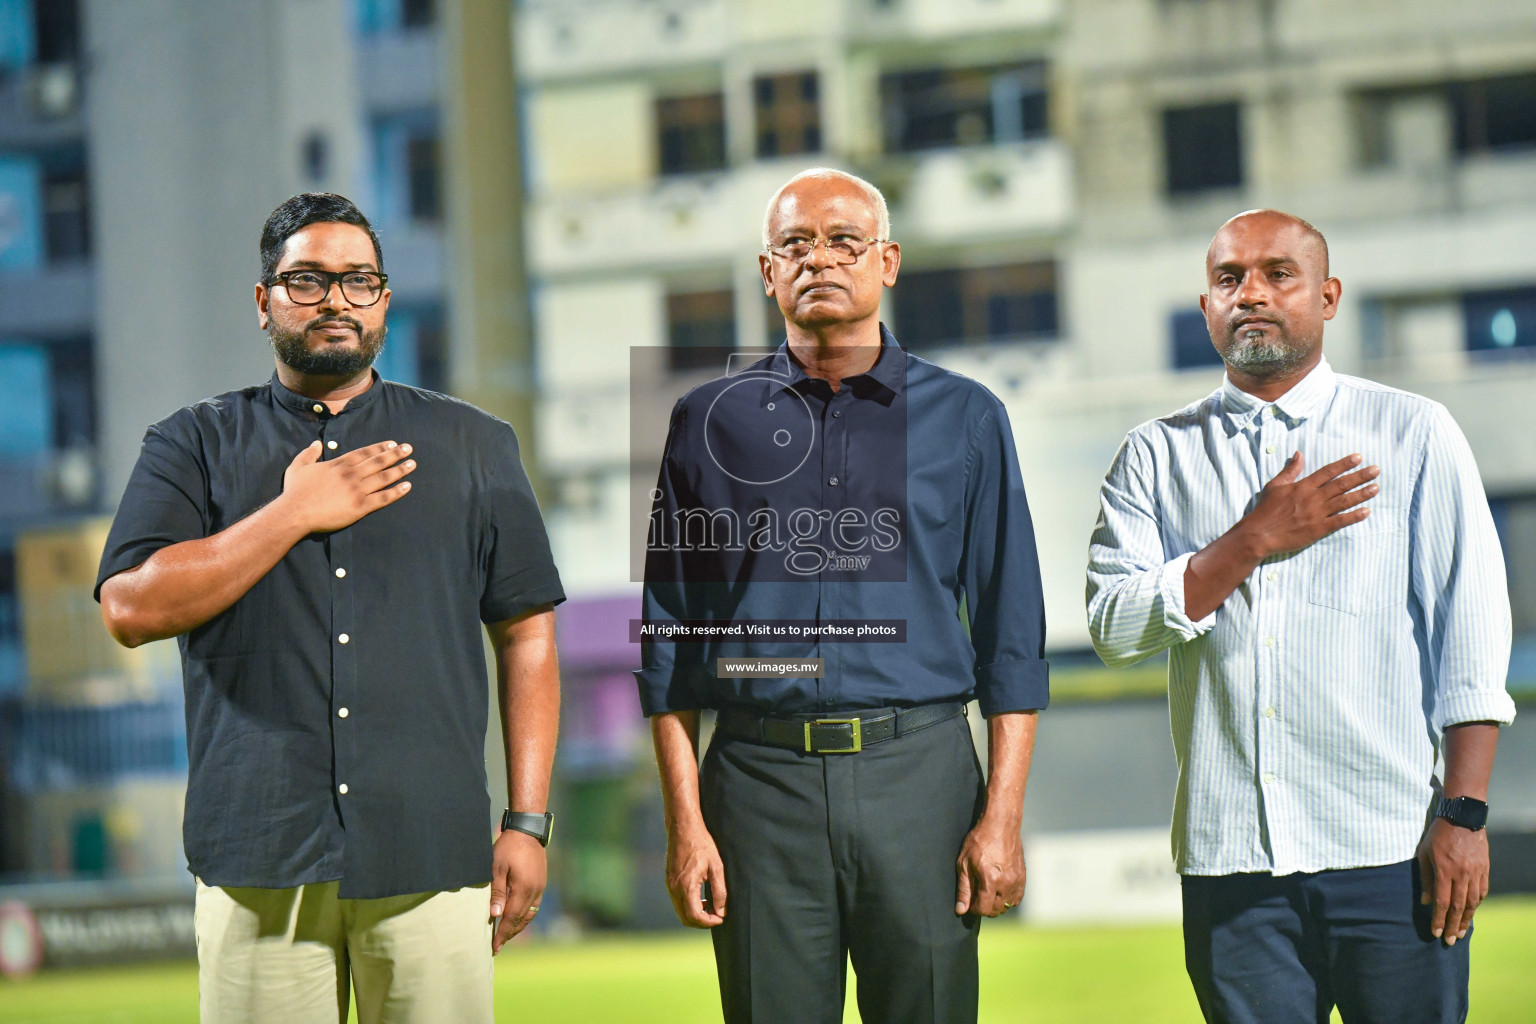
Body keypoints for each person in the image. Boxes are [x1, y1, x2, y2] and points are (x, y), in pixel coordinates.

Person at [95, 193, 565, 1024]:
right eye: (307, 281)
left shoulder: (473, 444)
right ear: (264, 300)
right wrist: (291, 513)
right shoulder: (191, 444)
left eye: (358, 281)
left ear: (384, 298)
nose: (336, 300)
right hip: (256, 852)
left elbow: (527, 635)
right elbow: (130, 607)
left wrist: (527, 820)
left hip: (430, 850)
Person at [637, 168, 1049, 1024]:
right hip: (756, 787)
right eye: (795, 243)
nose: (818, 258)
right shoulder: (705, 422)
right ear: (766, 272)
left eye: (843, 241)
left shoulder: (968, 418)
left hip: (921, 779)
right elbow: (668, 637)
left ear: (887, 261)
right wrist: (687, 823)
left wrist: (1002, 815)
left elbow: (1011, 633)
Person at [1086, 209, 1515, 1024]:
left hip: (1390, 854)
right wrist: (1248, 542)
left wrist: (1462, 816)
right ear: (1206, 306)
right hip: (1230, 867)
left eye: (1277, 274)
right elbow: (1110, 627)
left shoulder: (1414, 433)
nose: (1250, 293)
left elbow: (1470, 638)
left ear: (1328, 296)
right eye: (1228, 279)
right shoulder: (1154, 455)